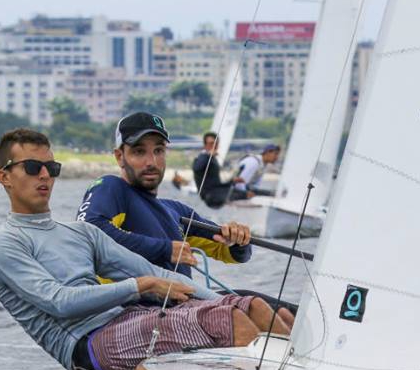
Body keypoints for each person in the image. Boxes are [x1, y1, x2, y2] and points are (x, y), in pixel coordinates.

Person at [0, 128, 291, 370]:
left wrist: (227, 301)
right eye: (34, 166)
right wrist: (140, 286)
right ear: (5, 177)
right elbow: (59, 302)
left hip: (129, 319)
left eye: (52, 166)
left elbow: (152, 272)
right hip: (89, 348)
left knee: (251, 308)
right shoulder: (4, 242)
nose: (45, 175)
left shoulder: (81, 233)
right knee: (226, 320)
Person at [79, 112, 297, 317]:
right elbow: (89, 233)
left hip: (186, 308)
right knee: (255, 312)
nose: (151, 162)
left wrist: (238, 239)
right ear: (119, 157)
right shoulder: (111, 188)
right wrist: (164, 249)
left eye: (158, 150)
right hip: (137, 315)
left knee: (278, 310)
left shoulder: (175, 211)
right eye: (139, 151)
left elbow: (229, 252)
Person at [191, 131, 248, 208]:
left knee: (248, 191)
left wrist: (232, 181)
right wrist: (208, 155)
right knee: (245, 194)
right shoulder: (201, 157)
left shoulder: (214, 159)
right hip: (210, 197)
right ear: (205, 145)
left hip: (217, 192)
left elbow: (217, 184)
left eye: (215, 143)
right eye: (211, 143)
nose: (213, 146)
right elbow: (196, 168)